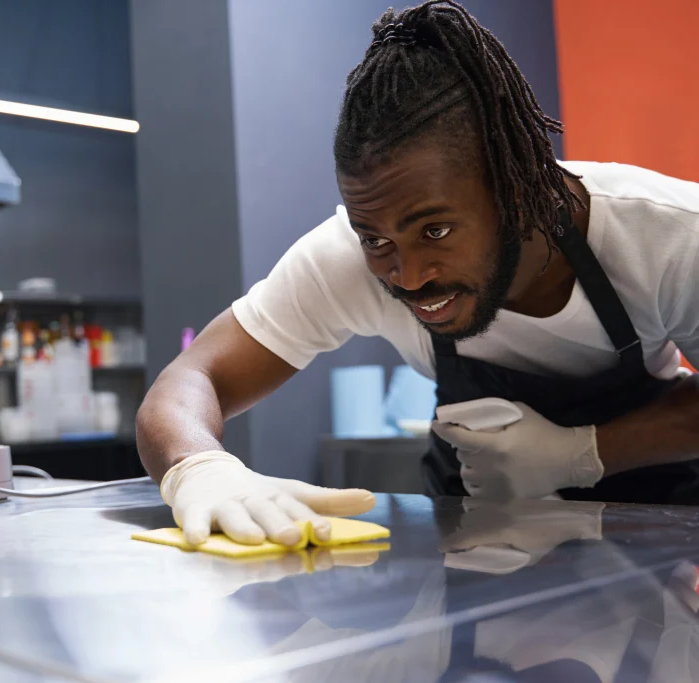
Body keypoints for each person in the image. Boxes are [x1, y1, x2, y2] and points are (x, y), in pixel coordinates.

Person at [136, 0, 699, 546]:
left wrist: (581, 455)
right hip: (479, 547)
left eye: (435, 231)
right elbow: (194, 377)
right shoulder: (348, 258)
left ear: (517, 190)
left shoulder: (666, 235)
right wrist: (198, 466)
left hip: (653, 529)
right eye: (376, 239)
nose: (406, 276)